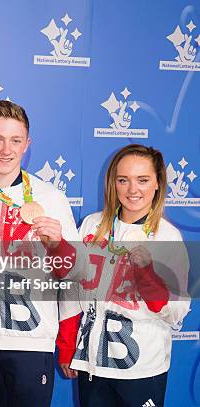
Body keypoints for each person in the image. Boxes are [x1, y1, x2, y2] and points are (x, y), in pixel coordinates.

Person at [0, 100, 82, 407]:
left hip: (32, 343)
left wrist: (58, 246)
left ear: (27, 144)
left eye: (15, 140)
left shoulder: (51, 198)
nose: (5, 150)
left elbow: (77, 275)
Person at [57, 144, 190, 407]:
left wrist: (146, 274)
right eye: (123, 180)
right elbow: (72, 289)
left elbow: (176, 312)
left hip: (142, 369)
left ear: (157, 184)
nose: (132, 190)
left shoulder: (167, 237)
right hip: (93, 365)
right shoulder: (93, 226)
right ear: (113, 184)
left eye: (142, 180)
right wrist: (67, 344)